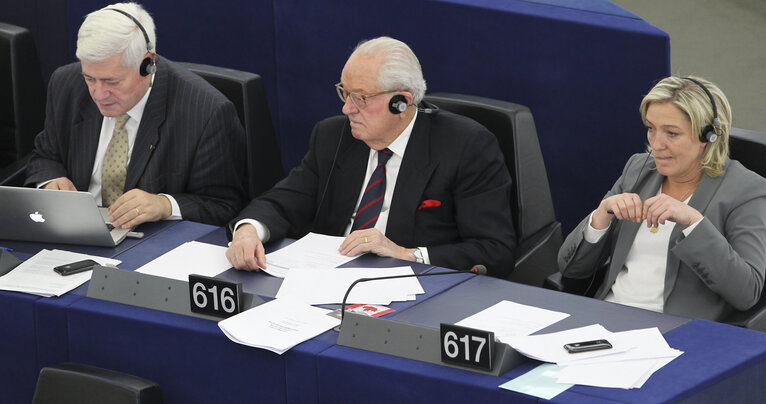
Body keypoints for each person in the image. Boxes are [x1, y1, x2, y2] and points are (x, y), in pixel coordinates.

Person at [226, 36, 515, 277]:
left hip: (417, 295)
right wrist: (248, 231)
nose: (347, 109)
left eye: (360, 97)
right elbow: (281, 202)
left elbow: (494, 250)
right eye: (345, 93)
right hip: (326, 281)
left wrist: (407, 254)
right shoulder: (333, 137)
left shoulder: (466, 147)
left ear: (401, 102)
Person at [558, 76, 766, 321]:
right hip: (606, 320)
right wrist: (602, 215)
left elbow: (746, 292)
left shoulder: (747, 190)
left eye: (671, 133)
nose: (656, 144)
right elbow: (570, 267)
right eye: (651, 128)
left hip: (675, 334)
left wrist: (694, 222)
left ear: (708, 136)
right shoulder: (639, 169)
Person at [25, 2, 246, 227]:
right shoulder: (66, 84)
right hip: (75, 230)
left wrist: (165, 205)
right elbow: (45, 156)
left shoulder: (206, 112)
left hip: (152, 244)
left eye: (112, 81)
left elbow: (223, 206)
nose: (99, 94)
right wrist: (50, 181)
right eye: (90, 79)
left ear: (147, 64)